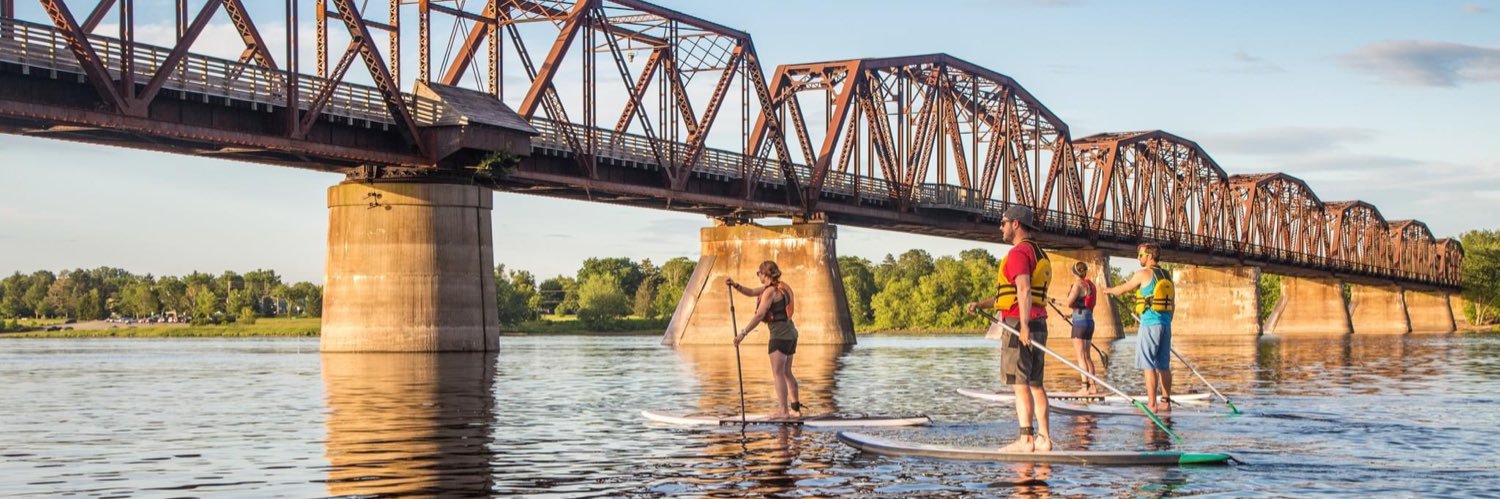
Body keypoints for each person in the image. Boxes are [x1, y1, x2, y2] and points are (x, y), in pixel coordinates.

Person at [967, 205, 1052, 452]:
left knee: (1020, 383)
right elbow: (1011, 294)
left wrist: (1023, 326)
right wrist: (981, 304)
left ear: (1016, 224)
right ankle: (1044, 439)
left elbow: (1023, 289)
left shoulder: (1017, 253)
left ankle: (1026, 439)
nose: (1000, 227)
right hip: (1039, 323)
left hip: (1019, 325)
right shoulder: (1039, 254)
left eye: (1003, 222)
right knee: (1036, 383)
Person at [1103, 242, 1175, 412]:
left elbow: (1123, 289)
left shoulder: (1143, 274)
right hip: (1165, 325)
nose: (1139, 258)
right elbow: (1173, 303)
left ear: (1149, 256)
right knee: (1163, 365)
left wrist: (1108, 290)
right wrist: (1167, 321)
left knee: (1148, 364)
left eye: (1141, 255)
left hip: (1150, 325)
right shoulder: (1167, 275)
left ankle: (1151, 405)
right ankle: (1166, 402)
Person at [727, 261, 801, 419]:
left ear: (765, 274)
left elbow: (760, 315)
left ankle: (783, 411)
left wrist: (742, 333)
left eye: (758, 273)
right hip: (791, 333)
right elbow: (752, 291)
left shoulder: (770, 293)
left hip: (779, 335)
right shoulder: (778, 287)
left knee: (778, 373)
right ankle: (795, 409)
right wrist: (735, 285)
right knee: (787, 372)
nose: (758, 275)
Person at [1053, 261, 1098, 394]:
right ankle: (1093, 386)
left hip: (1080, 325)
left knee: (1080, 356)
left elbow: (1069, 303)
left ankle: (1084, 388)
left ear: (1074, 272)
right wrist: (1069, 316)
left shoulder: (1078, 285)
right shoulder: (1090, 285)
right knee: (1087, 356)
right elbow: (1082, 306)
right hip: (1089, 323)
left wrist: (1054, 301)